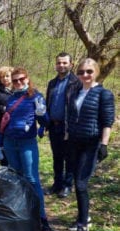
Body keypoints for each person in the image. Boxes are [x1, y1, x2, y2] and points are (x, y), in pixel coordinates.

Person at [0, 67, 53, 231]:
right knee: (18, 179)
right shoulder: (11, 98)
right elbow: (4, 123)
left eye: (21, 79)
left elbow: (45, 122)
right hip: (10, 143)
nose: (19, 82)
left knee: (32, 179)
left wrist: (42, 114)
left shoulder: (36, 96)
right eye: (15, 80)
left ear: (27, 79)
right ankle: (24, 214)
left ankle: (42, 218)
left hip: (27, 143)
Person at [66, 58, 114, 231]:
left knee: (81, 184)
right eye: (81, 72)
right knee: (76, 181)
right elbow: (71, 116)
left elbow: (107, 121)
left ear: (96, 72)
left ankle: (83, 227)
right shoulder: (76, 92)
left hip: (91, 144)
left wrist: (104, 144)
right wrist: (68, 135)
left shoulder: (104, 94)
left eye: (89, 71)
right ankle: (83, 217)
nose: (84, 75)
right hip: (75, 143)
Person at [44, 52, 82, 198]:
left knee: (69, 157)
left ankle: (67, 186)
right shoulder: (52, 83)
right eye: (59, 63)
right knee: (57, 157)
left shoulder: (76, 83)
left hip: (69, 127)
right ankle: (57, 184)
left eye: (65, 63)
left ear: (71, 64)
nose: (61, 65)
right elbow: (48, 104)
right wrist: (45, 124)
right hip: (54, 126)